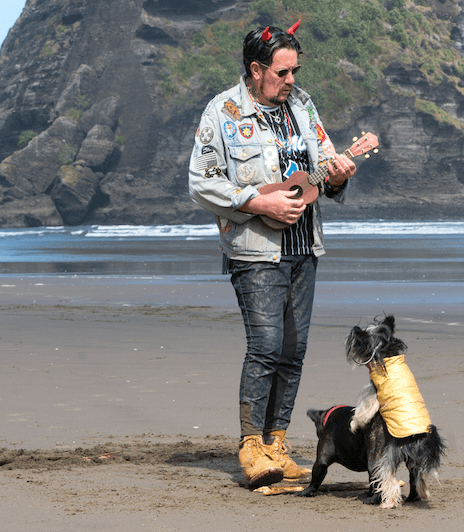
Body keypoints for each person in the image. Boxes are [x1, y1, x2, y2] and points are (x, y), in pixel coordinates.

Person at [188, 21, 357, 488]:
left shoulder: (303, 105)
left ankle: (277, 443)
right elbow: (201, 182)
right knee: (264, 348)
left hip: (304, 247)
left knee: (292, 352)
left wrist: (338, 175)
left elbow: (325, 167)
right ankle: (251, 447)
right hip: (254, 250)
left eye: (294, 71)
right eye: (282, 73)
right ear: (256, 69)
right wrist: (259, 203)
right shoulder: (222, 111)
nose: (291, 80)